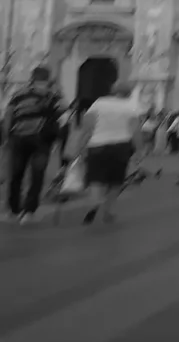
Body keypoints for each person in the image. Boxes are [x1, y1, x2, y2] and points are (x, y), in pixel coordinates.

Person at [70, 81, 142, 225]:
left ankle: (95, 202)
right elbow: (135, 131)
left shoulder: (99, 103)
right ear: (128, 93)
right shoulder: (131, 106)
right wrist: (139, 151)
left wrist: (79, 147)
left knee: (96, 179)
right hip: (121, 146)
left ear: (112, 90)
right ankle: (108, 211)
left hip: (97, 144)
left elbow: (87, 128)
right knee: (116, 181)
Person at [4, 66, 64, 224]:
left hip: (18, 138)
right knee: (37, 175)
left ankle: (13, 209)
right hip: (41, 140)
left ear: (32, 78)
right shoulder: (52, 95)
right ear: (48, 78)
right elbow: (64, 110)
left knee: (16, 174)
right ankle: (28, 212)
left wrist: (7, 138)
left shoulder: (18, 94)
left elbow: (8, 116)